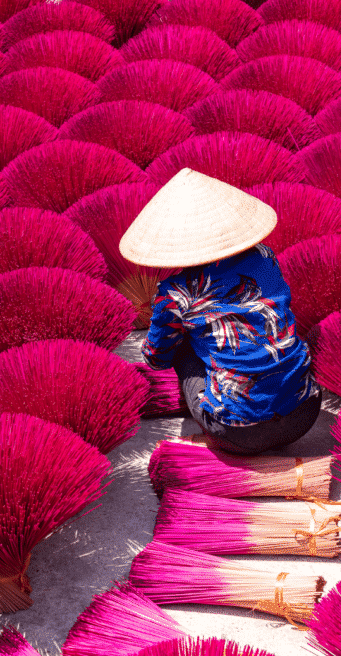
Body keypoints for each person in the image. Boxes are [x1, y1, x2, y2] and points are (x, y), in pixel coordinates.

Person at [120, 168, 320, 455]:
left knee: (183, 345)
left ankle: (220, 403)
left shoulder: (175, 292)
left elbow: (156, 358)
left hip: (237, 433)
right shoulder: (265, 256)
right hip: (305, 411)